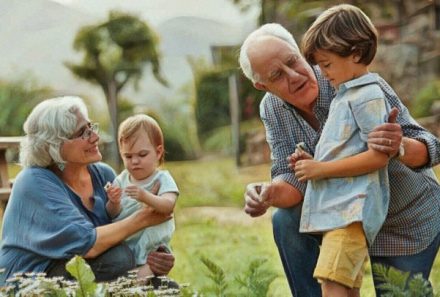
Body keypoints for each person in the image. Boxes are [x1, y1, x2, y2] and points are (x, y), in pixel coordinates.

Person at [239, 22, 440, 297]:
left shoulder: (353, 77)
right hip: (343, 215)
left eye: (293, 62)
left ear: (300, 52)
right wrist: (269, 193)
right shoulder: (272, 108)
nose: (294, 76)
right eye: (277, 74)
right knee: (285, 220)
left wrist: (399, 145)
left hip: (403, 216)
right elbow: (291, 178)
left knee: (401, 293)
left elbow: (431, 148)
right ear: (262, 85)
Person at [0, 96, 175, 285]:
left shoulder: (104, 174)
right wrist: (145, 217)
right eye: (83, 132)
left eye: (91, 127)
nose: (95, 137)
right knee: (118, 258)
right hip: (32, 282)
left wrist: (157, 256)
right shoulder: (33, 182)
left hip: (85, 272)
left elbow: (124, 229)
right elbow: (87, 245)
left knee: (166, 286)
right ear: (54, 146)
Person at [285, 5, 392, 296]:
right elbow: (347, 150)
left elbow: (379, 155)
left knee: (332, 285)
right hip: (340, 212)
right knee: (342, 286)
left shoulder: (367, 95)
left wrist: (321, 170)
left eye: (327, 64)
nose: (322, 73)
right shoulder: (346, 94)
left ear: (355, 53)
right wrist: (313, 161)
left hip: (351, 212)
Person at [105, 114, 179, 285]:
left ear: (158, 152)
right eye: (128, 156)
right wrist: (113, 202)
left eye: (142, 154)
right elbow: (111, 214)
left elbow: (168, 205)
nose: (135, 161)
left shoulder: (162, 179)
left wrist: (146, 196)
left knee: (138, 282)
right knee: (126, 277)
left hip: (152, 246)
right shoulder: (121, 179)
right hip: (127, 242)